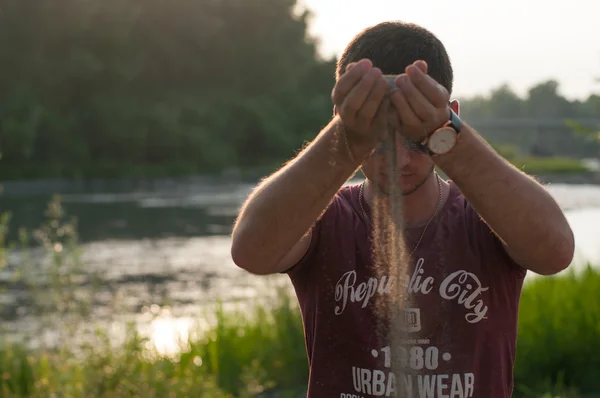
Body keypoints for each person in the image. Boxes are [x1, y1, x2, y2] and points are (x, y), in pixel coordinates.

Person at [230, 21, 575, 398]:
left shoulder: (485, 214)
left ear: (451, 114)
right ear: (342, 116)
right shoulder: (325, 216)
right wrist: (346, 137)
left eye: (414, 138)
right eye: (378, 139)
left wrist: (448, 137)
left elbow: (555, 252)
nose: (397, 159)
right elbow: (251, 250)